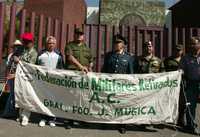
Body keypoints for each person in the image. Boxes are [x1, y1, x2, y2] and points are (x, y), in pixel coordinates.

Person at [102, 35, 136, 134]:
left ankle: (122, 124)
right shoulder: (109, 55)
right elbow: (104, 70)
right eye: (115, 43)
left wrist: (130, 85)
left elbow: (130, 73)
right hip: (110, 84)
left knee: (122, 105)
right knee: (109, 103)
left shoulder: (128, 57)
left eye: (118, 43)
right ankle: (107, 121)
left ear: (123, 45)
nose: (116, 44)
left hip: (122, 86)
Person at [36, 36, 63, 127]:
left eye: (52, 43)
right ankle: (42, 118)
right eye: (49, 43)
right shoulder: (40, 54)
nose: (51, 45)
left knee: (52, 100)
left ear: (55, 44)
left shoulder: (59, 55)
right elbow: (35, 67)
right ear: (46, 44)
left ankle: (52, 119)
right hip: (42, 82)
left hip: (54, 82)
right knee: (43, 100)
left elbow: (61, 69)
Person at [179, 37, 200, 134]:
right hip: (191, 85)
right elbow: (181, 69)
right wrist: (181, 71)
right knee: (190, 107)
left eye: (193, 44)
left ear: (199, 45)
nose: (191, 46)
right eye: (190, 44)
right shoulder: (185, 58)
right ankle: (190, 126)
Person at [18, 32, 38, 126]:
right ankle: (21, 115)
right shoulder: (21, 49)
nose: (25, 43)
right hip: (20, 76)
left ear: (32, 42)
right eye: (24, 41)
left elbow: (30, 65)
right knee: (20, 95)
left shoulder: (34, 52)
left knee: (27, 96)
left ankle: (26, 116)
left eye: (27, 41)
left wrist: (19, 60)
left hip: (28, 77)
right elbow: (16, 56)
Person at [164, 44, 185, 127]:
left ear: (182, 51)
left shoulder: (185, 60)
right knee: (170, 102)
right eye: (176, 50)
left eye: (179, 50)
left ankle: (181, 119)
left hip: (182, 85)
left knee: (182, 103)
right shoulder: (167, 60)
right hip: (171, 85)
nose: (177, 51)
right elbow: (163, 72)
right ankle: (169, 118)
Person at [2, 40, 24, 118]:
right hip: (12, 78)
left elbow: (24, 68)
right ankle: (9, 112)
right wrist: (11, 62)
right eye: (15, 46)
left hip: (20, 78)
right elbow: (8, 66)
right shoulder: (11, 55)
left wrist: (18, 61)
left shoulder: (22, 55)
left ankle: (19, 114)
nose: (16, 48)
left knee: (20, 95)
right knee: (12, 95)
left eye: (18, 46)